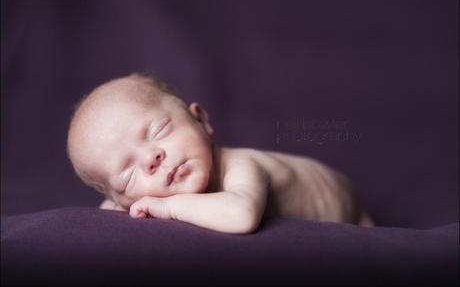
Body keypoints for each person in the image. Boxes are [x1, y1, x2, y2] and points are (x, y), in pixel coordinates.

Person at [66, 72, 374, 234]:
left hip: (350, 215)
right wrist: (119, 204)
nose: (150, 159)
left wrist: (168, 207)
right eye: (128, 174)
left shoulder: (242, 166)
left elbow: (241, 215)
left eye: (158, 131)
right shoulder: (125, 199)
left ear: (201, 120)